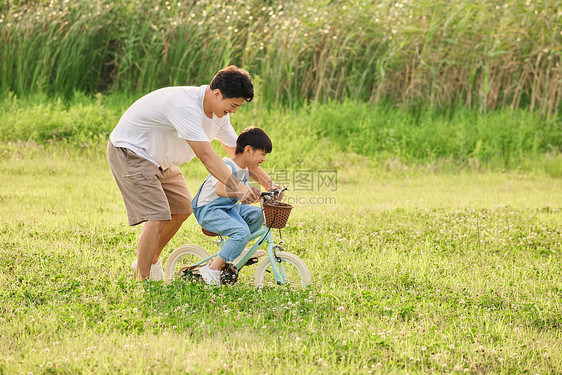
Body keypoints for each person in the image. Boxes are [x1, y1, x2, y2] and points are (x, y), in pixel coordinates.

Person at [107, 66, 279, 280]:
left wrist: (267, 183)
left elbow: (239, 153)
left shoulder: (219, 114)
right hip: (132, 151)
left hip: (162, 160)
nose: (234, 111)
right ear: (217, 94)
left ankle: (150, 261)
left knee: (182, 208)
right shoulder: (185, 105)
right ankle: (142, 280)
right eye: (233, 105)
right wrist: (239, 187)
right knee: (158, 215)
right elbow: (206, 156)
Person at [191, 127, 272, 285]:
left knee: (258, 215)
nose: (264, 159)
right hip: (209, 209)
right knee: (241, 232)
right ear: (248, 150)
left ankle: (239, 248)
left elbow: (239, 197)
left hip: (228, 208)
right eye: (262, 154)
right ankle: (212, 269)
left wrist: (253, 196)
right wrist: (241, 193)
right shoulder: (227, 165)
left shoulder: (244, 171)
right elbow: (220, 190)